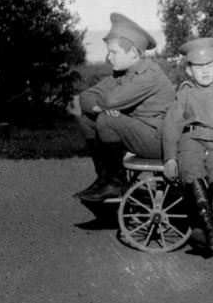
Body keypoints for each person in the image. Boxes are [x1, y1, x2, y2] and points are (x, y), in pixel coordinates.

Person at [74, 13, 175, 203]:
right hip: (140, 133)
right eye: (108, 52)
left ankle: (116, 181)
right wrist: (97, 107)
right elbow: (86, 97)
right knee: (86, 120)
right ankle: (105, 178)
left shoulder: (149, 75)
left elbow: (111, 101)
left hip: (159, 141)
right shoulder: (123, 73)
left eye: (114, 52)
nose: (108, 57)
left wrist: (103, 106)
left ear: (134, 53)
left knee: (108, 119)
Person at [161, 37, 213, 249]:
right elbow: (171, 125)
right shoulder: (185, 91)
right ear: (189, 71)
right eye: (198, 66)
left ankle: (205, 226)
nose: (205, 71)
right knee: (191, 171)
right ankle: (209, 227)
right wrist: (170, 158)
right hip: (191, 139)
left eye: (210, 65)